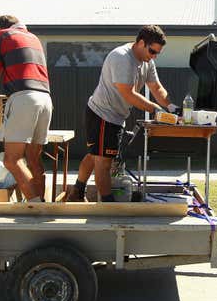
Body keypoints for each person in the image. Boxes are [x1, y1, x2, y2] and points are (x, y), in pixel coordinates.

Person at [68, 25, 178, 202]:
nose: (154, 56)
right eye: (152, 51)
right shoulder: (121, 57)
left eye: (157, 53)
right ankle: (108, 206)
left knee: (95, 154)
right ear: (141, 43)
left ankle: (76, 193)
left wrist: (172, 108)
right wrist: (155, 110)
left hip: (117, 116)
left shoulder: (147, 62)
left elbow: (156, 88)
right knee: (104, 162)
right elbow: (128, 93)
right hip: (103, 114)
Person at [0, 15, 52, 202]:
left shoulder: (3, 35)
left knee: (11, 160)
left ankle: (35, 206)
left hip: (24, 98)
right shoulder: (33, 37)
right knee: (33, 160)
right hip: (45, 99)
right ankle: (43, 205)